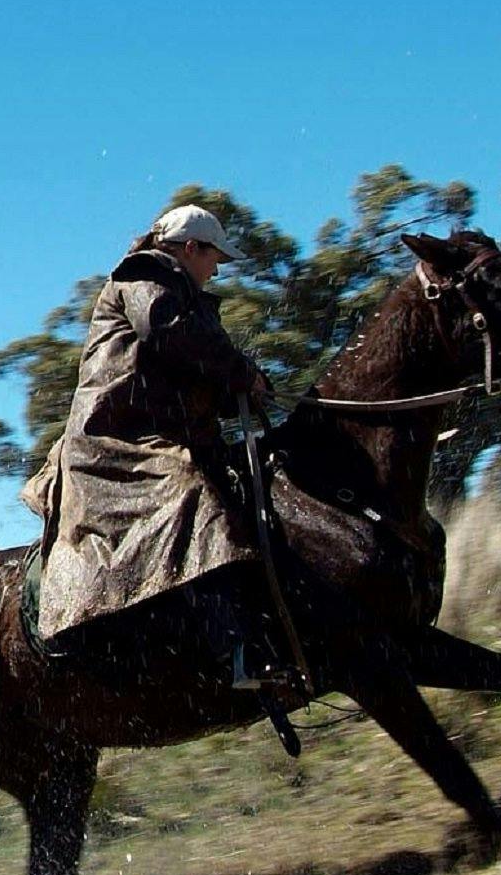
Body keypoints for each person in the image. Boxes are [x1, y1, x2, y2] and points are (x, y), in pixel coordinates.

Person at [21, 202, 297, 691]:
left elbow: (194, 369)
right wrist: (241, 372)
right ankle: (235, 653)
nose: (217, 269)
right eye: (214, 257)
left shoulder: (182, 292)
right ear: (190, 248)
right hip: (116, 442)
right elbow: (173, 337)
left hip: (162, 435)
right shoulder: (144, 278)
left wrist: (248, 389)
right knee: (192, 489)